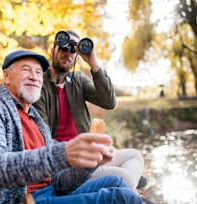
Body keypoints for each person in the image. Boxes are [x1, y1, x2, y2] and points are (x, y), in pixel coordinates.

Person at [0, 49, 143, 203]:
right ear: (6, 76)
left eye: (39, 73)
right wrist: (63, 153)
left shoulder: (36, 120)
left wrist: (90, 164)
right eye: (26, 70)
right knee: (121, 198)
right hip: (23, 200)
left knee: (117, 182)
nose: (34, 77)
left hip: (50, 193)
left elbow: (57, 182)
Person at [33, 30, 145, 190]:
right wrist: (77, 151)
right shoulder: (39, 85)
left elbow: (109, 102)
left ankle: (109, 184)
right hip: (62, 163)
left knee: (135, 156)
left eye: (73, 50)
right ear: (53, 51)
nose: (68, 53)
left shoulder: (77, 80)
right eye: (63, 48)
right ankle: (118, 185)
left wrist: (93, 62)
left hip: (88, 156)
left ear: (78, 57)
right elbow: (42, 137)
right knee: (125, 176)